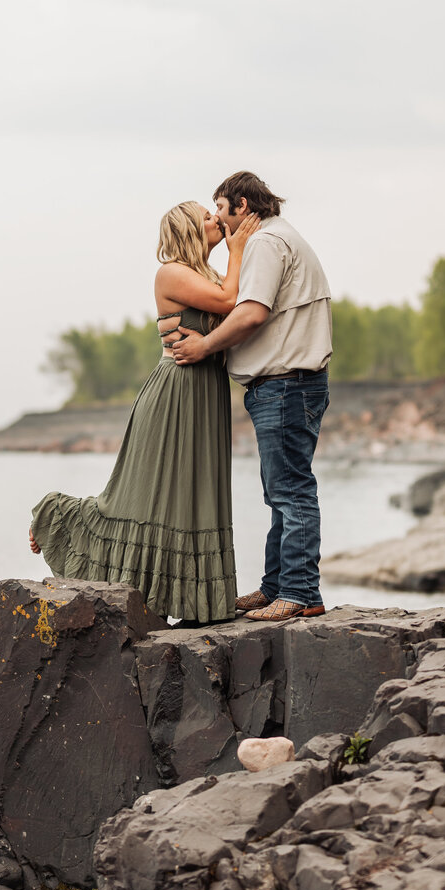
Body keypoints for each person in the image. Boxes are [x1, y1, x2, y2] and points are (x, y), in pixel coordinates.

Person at [28, 202, 258, 625]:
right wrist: (238, 247)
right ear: (188, 229)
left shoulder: (204, 274)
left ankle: (196, 604)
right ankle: (54, 515)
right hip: (175, 393)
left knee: (192, 494)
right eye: (207, 216)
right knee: (142, 496)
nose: (216, 221)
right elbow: (231, 299)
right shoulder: (170, 272)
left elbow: (242, 306)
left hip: (206, 392)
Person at [171, 170, 331, 623]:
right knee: (281, 491)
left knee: (291, 491)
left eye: (220, 209)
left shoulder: (262, 242)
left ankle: (299, 594)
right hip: (290, 384)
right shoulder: (279, 237)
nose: (218, 222)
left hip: (284, 384)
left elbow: (252, 313)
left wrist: (204, 345)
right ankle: (276, 586)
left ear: (242, 205)